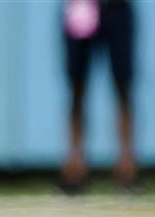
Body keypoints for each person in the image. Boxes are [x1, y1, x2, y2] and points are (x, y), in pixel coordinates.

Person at [59, 0, 138, 194]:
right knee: (77, 90)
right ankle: (75, 166)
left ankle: (127, 168)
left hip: (116, 7)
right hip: (79, 7)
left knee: (123, 88)